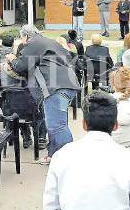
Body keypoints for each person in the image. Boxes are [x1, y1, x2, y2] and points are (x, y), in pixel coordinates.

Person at [7, 25, 80, 164]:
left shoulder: (33, 44)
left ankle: (69, 161)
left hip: (55, 88)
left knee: (57, 126)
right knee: (54, 124)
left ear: (26, 36)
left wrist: (12, 58)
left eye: (22, 38)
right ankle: (52, 155)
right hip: (68, 84)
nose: (22, 42)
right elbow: (71, 56)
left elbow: (21, 66)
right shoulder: (50, 42)